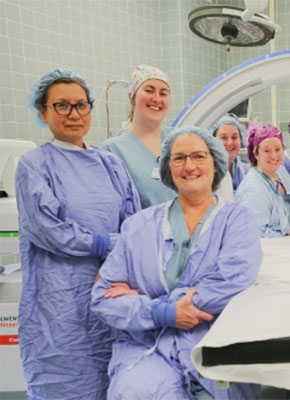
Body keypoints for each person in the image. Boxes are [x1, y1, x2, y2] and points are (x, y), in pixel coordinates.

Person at [91, 126, 262, 399]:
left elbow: (234, 278)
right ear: (168, 168)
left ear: (215, 164)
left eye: (198, 156)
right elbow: (103, 299)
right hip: (149, 346)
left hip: (213, 340)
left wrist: (155, 301)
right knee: (136, 391)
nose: (189, 165)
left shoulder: (237, 220)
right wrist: (162, 313)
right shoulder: (138, 226)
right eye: (179, 158)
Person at [16, 68, 141, 399]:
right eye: (62, 106)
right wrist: (103, 243)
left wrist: (118, 258)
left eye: (81, 105)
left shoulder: (110, 163)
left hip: (111, 289)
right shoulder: (34, 165)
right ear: (43, 112)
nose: (74, 114)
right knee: (65, 382)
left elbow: (132, 221)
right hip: (59, 303)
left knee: (113, 378)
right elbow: (49, 231)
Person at [102, 64, 176, 208]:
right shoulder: (113, 149)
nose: (156, 99)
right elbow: (112, 209)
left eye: (163, 93)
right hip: (143, 229)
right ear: (132, 96)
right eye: (149, 91)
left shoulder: (178, 139)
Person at [235, 124, 290, 237]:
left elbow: (289, 214)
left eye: (278, 149)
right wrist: (288, 234)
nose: (274, 156)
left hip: (289, 246)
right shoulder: (253, 188)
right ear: (256, 153)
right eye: (267, 151)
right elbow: (256, 233)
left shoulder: (281, 172)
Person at [211, 114, 250, 193]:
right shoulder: (208, 172)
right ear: (213, 141)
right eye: (223, 137)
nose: (230, 143)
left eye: (234, 137)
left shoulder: (245, 170)